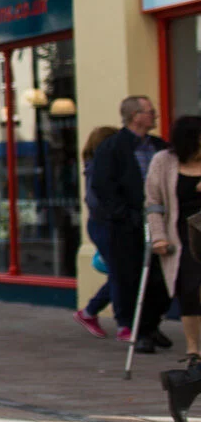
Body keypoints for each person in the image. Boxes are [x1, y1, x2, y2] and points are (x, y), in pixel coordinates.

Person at [91, 95, 173, 354]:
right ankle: (138, 331)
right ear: (135, 116)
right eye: (150, 111)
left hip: (160, 222)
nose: (155, 115)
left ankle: (150, 324)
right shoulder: (113, 147)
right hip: (128, 226)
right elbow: (103, 186)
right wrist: (125, 216)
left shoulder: (160, 146)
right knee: (130, 278)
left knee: (162, 279)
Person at [144, 115, 201, 370]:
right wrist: (158, 237)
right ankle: (194, 348)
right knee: (189, 290)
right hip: (181, 236)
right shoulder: (163, 161)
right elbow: (154, 203)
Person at [74, 125, 119, 338]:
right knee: (121, 274)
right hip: (105, 225)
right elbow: (94, 201)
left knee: (122, 273)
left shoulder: (100, 167)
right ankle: (92, 312)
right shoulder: (96, 169)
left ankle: (91, 312)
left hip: (105, 224)